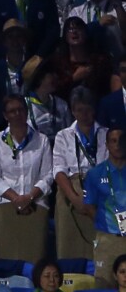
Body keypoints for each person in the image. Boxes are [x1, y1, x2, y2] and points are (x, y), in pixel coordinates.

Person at [0, 94, 53, 264]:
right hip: (4, 205)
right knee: (5, 260)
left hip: (35, 205)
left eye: (20, 110)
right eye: (12, 111)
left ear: (27, 111)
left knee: (34, 260)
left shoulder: (42, 140)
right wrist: (15, 198)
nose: (17, 114)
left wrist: (29, 197)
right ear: (5, 115)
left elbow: (48, 175)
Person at [53, 86, 108, 260]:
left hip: (100, 193)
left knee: (101, 248)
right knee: (70, 249)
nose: (84, 114)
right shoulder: (63, 136)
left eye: (88, 109)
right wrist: (75, 198)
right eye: (79, 110)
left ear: (94, 109)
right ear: (73, 111)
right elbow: (58, 170)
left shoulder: (106, 134)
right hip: (71, 193)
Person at [84, 129, 126, 288]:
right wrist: (106, 224)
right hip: (107, 239)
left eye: (120, 140)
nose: (117, 145)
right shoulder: (95, 174)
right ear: (107, 144)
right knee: (104, 285)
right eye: (113, 141)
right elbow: (89, 205)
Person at [22, 55, 71, 146]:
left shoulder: (62, 105)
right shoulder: (23, 107)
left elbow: (70, 136)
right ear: (39, 79)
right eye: (50, 74)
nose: (55, 77)